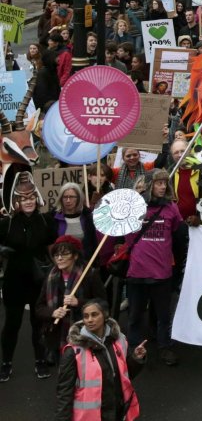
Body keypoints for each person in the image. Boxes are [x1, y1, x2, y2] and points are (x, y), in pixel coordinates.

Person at [122, 169, 185, 367]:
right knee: (135, 315)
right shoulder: (134, 207)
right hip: (137, 271)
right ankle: (133, 347)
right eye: (158, 183)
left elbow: (177, 232)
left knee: (163, 315)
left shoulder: (171, 208)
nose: (162, 186)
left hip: (162, 272)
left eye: (164, 183)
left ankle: (164, 347)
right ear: (149, 185)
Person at [0, 178, 57, 381]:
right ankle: (5, 363)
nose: (29, 201)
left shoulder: (45, 221)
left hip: (38, 281)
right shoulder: (6, 223)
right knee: (12, 324)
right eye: (24, 199)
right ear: (16, 201)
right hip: (14, 281)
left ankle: (40, 361)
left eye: (32, 197)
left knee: (38, 322)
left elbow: (53, 247)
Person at [54, 299, 147, 421]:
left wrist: (136, 358)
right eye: (86, 316)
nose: (89, 320)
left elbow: (125, 375)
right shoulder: (73, 351)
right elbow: (64, 393)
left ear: (105, 315)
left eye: (94, 314)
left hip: (118, 411)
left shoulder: (120, 340)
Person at [37, 236, 107, 362]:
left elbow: (103, 303)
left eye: (64, 254)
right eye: (56, 255)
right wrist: (52, 312)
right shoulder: (51, 275)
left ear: (75, 256)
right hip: (57, 336)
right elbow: (39, 308)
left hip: (85, 333)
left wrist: (79, 302)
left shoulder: (89, 274)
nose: (59, 258)